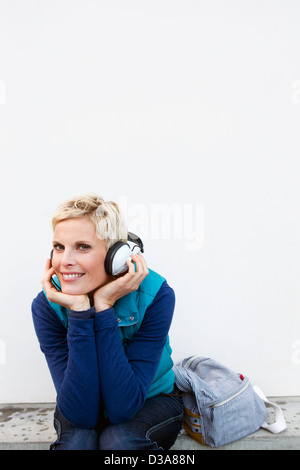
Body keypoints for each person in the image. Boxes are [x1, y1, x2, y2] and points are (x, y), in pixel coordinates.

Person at [32, 194, 183, 450]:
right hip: (81, 401)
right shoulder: (47, 305)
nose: (64, 261)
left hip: (151, 399)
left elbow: (123, 407)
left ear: (117, 256)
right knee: (77, 443)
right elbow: (81, 415)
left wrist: (104, 308)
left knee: (119, 442)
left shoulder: (156, 295)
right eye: (59, 246)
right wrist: (80, 312)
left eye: (82, 247)